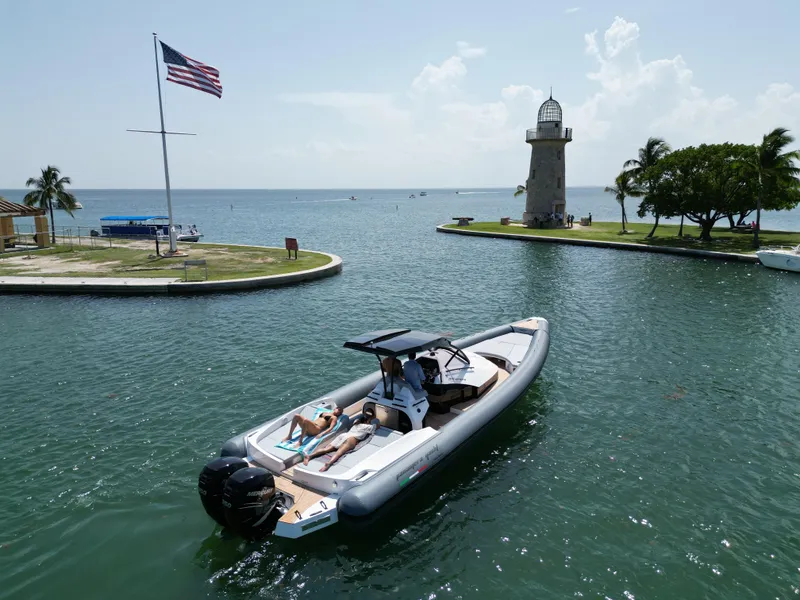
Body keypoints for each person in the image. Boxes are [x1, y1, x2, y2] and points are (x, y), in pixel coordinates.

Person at [303, 408, 378, 472]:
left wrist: (366, 416)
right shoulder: (369, 427)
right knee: (339, 452)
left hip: (344, 435)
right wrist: (372, 419)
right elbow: (378, 426)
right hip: (351, 438)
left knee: (327, 449)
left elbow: (361, 419)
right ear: (368, 421)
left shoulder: (356, 423)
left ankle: (309, 456)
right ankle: (328, 463)